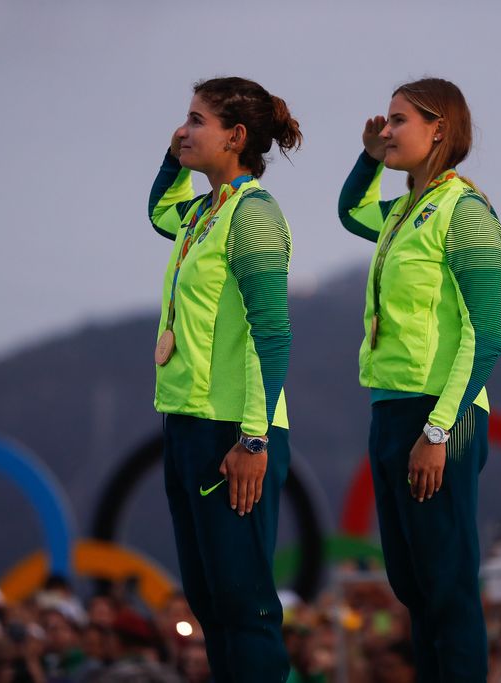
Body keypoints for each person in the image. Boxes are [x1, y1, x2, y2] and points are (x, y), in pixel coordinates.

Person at [337, 77, 501, 681]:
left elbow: (485, 336)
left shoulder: (465, 211)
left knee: (447, 584)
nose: (387, 129)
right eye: (385, 119)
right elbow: (351, 211)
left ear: (439, 128)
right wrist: (367, 157)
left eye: (398, 120)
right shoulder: (404, 210)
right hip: (390, 410)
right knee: (411, 585)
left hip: (442, 414)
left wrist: (439, 431)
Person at [147, 76, 302, 682]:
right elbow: (161, 208)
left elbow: (273, 333)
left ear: (235, 137)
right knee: (212, 607)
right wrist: (172, 155)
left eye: (196, 121)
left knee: (246, 607)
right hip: (187, 423)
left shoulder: (254, 215)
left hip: (233, 432)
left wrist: (254, 439)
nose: (184, 130)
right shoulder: (201, 214)